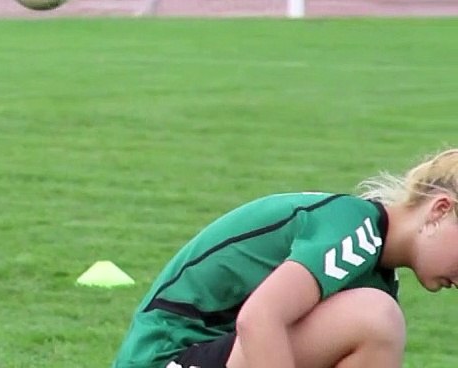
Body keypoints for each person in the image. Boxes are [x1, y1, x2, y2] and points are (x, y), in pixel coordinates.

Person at [112, 148, 458, 368]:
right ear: (440, 210)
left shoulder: (375, 267)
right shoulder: (354, 231)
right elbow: (259, 318)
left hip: (214, 354)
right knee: (377, 317)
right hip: (164, 359)